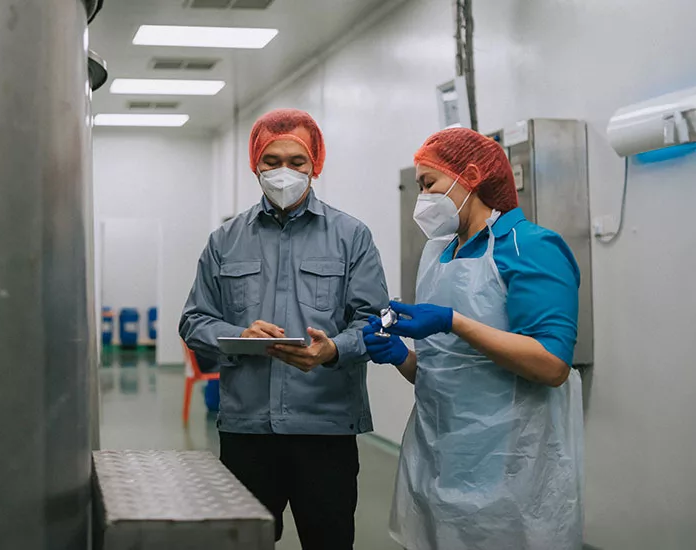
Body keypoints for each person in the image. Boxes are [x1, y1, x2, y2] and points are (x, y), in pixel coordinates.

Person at [362, 128, 584, 550]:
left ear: (472, 174)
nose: (422, 198)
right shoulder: (439, 254)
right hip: (437, 460)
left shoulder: (530, 247)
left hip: (512, 472)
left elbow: (551, 365)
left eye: (430, 184)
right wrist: (402, 358)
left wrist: (453, 321)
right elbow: (451, 372)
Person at [179, 108, 388, 549]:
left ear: (315, 165)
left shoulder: (352, 236)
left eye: (297, 162)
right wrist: (237, 337)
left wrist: (332, 349)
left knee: (328, 540)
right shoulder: (225, 240)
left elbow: (374, 322)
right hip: (247, 430)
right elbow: (194, 319)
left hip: (325, 428)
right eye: (272, 161)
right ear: (255, 164)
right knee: (246, 542)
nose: (284, 172)